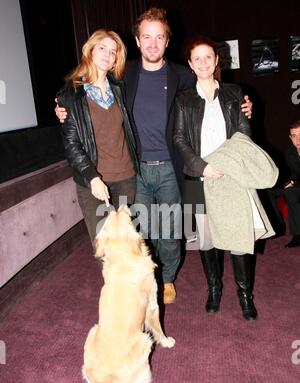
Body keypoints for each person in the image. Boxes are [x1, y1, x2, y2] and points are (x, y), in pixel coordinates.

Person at [55, 8, 253, 304]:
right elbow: (90, 95)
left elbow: (212, 91)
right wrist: (63, 108)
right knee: (140, 231)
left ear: (167, 41)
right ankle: (144, 282)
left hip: (173, 167)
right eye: (146, 37)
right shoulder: (124, 74)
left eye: (158, 37)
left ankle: (168, 279)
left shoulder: (183, 75)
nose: (152, 43)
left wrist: (241, 104)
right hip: (134, 170)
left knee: (171, 230)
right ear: (136, 40)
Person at [173, 36, 259, 321]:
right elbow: (179, 138)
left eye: (208, 57)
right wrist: (202, 167)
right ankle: (214, 288)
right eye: (196, 58)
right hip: (198, 178)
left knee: (237, 236)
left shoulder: (235, 93)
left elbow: (244, 132)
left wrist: (226, 165)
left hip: (231, 175)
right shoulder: (184, 98)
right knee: (206, 240)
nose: (203, 62)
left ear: (216, 60)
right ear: (190, 64)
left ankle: (245, 294)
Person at [56, 29, 138, 249]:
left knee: (127, 247)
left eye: (113, 52)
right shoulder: (69, 95)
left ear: (115, 60)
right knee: (106, 250)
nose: (107, 55)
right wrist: (93, 178)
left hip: (126, 177)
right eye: (102, 48)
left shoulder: (121, 89)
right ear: (90, 50)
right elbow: (71, 145)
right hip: (92, 182)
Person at [267, 120, 300, 248]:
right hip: (297, 184)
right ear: (290, 138)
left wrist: (293, 182)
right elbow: (293, 173)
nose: (298, 139)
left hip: (296, 186)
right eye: (294, 136)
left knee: (290, 192)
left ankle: (298, 235)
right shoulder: (290, 153)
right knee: (269, 192)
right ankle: (278, 226)